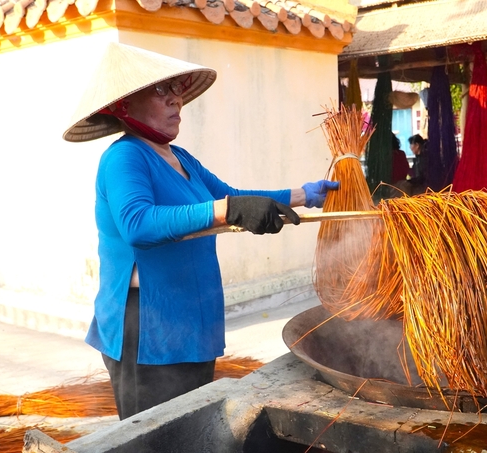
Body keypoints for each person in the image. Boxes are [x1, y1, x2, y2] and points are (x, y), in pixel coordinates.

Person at [62, 43, 339, 420]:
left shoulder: (180, 157)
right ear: (125, 105)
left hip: (191, 321)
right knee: (158, 437)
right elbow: (138, 224)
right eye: (163, 91)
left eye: (178, 89)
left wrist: (302, 194)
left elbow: (233, 197)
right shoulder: (124, 157)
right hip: (149, 327)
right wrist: (228, 212)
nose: (177, 100)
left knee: (194, 428)